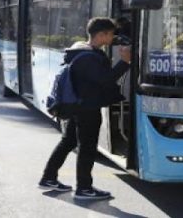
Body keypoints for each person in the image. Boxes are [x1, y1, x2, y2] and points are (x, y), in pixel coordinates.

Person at [39, 17, 131, 200]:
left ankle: (48, 178)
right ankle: (84, 189)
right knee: (87, 147)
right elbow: (105, 79)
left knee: (68, 141)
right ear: (101, 34)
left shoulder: (80, 49)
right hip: (87, 108)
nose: (113, 38)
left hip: (76, 106)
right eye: (111, 34)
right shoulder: (89, 57)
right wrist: (125, 61)